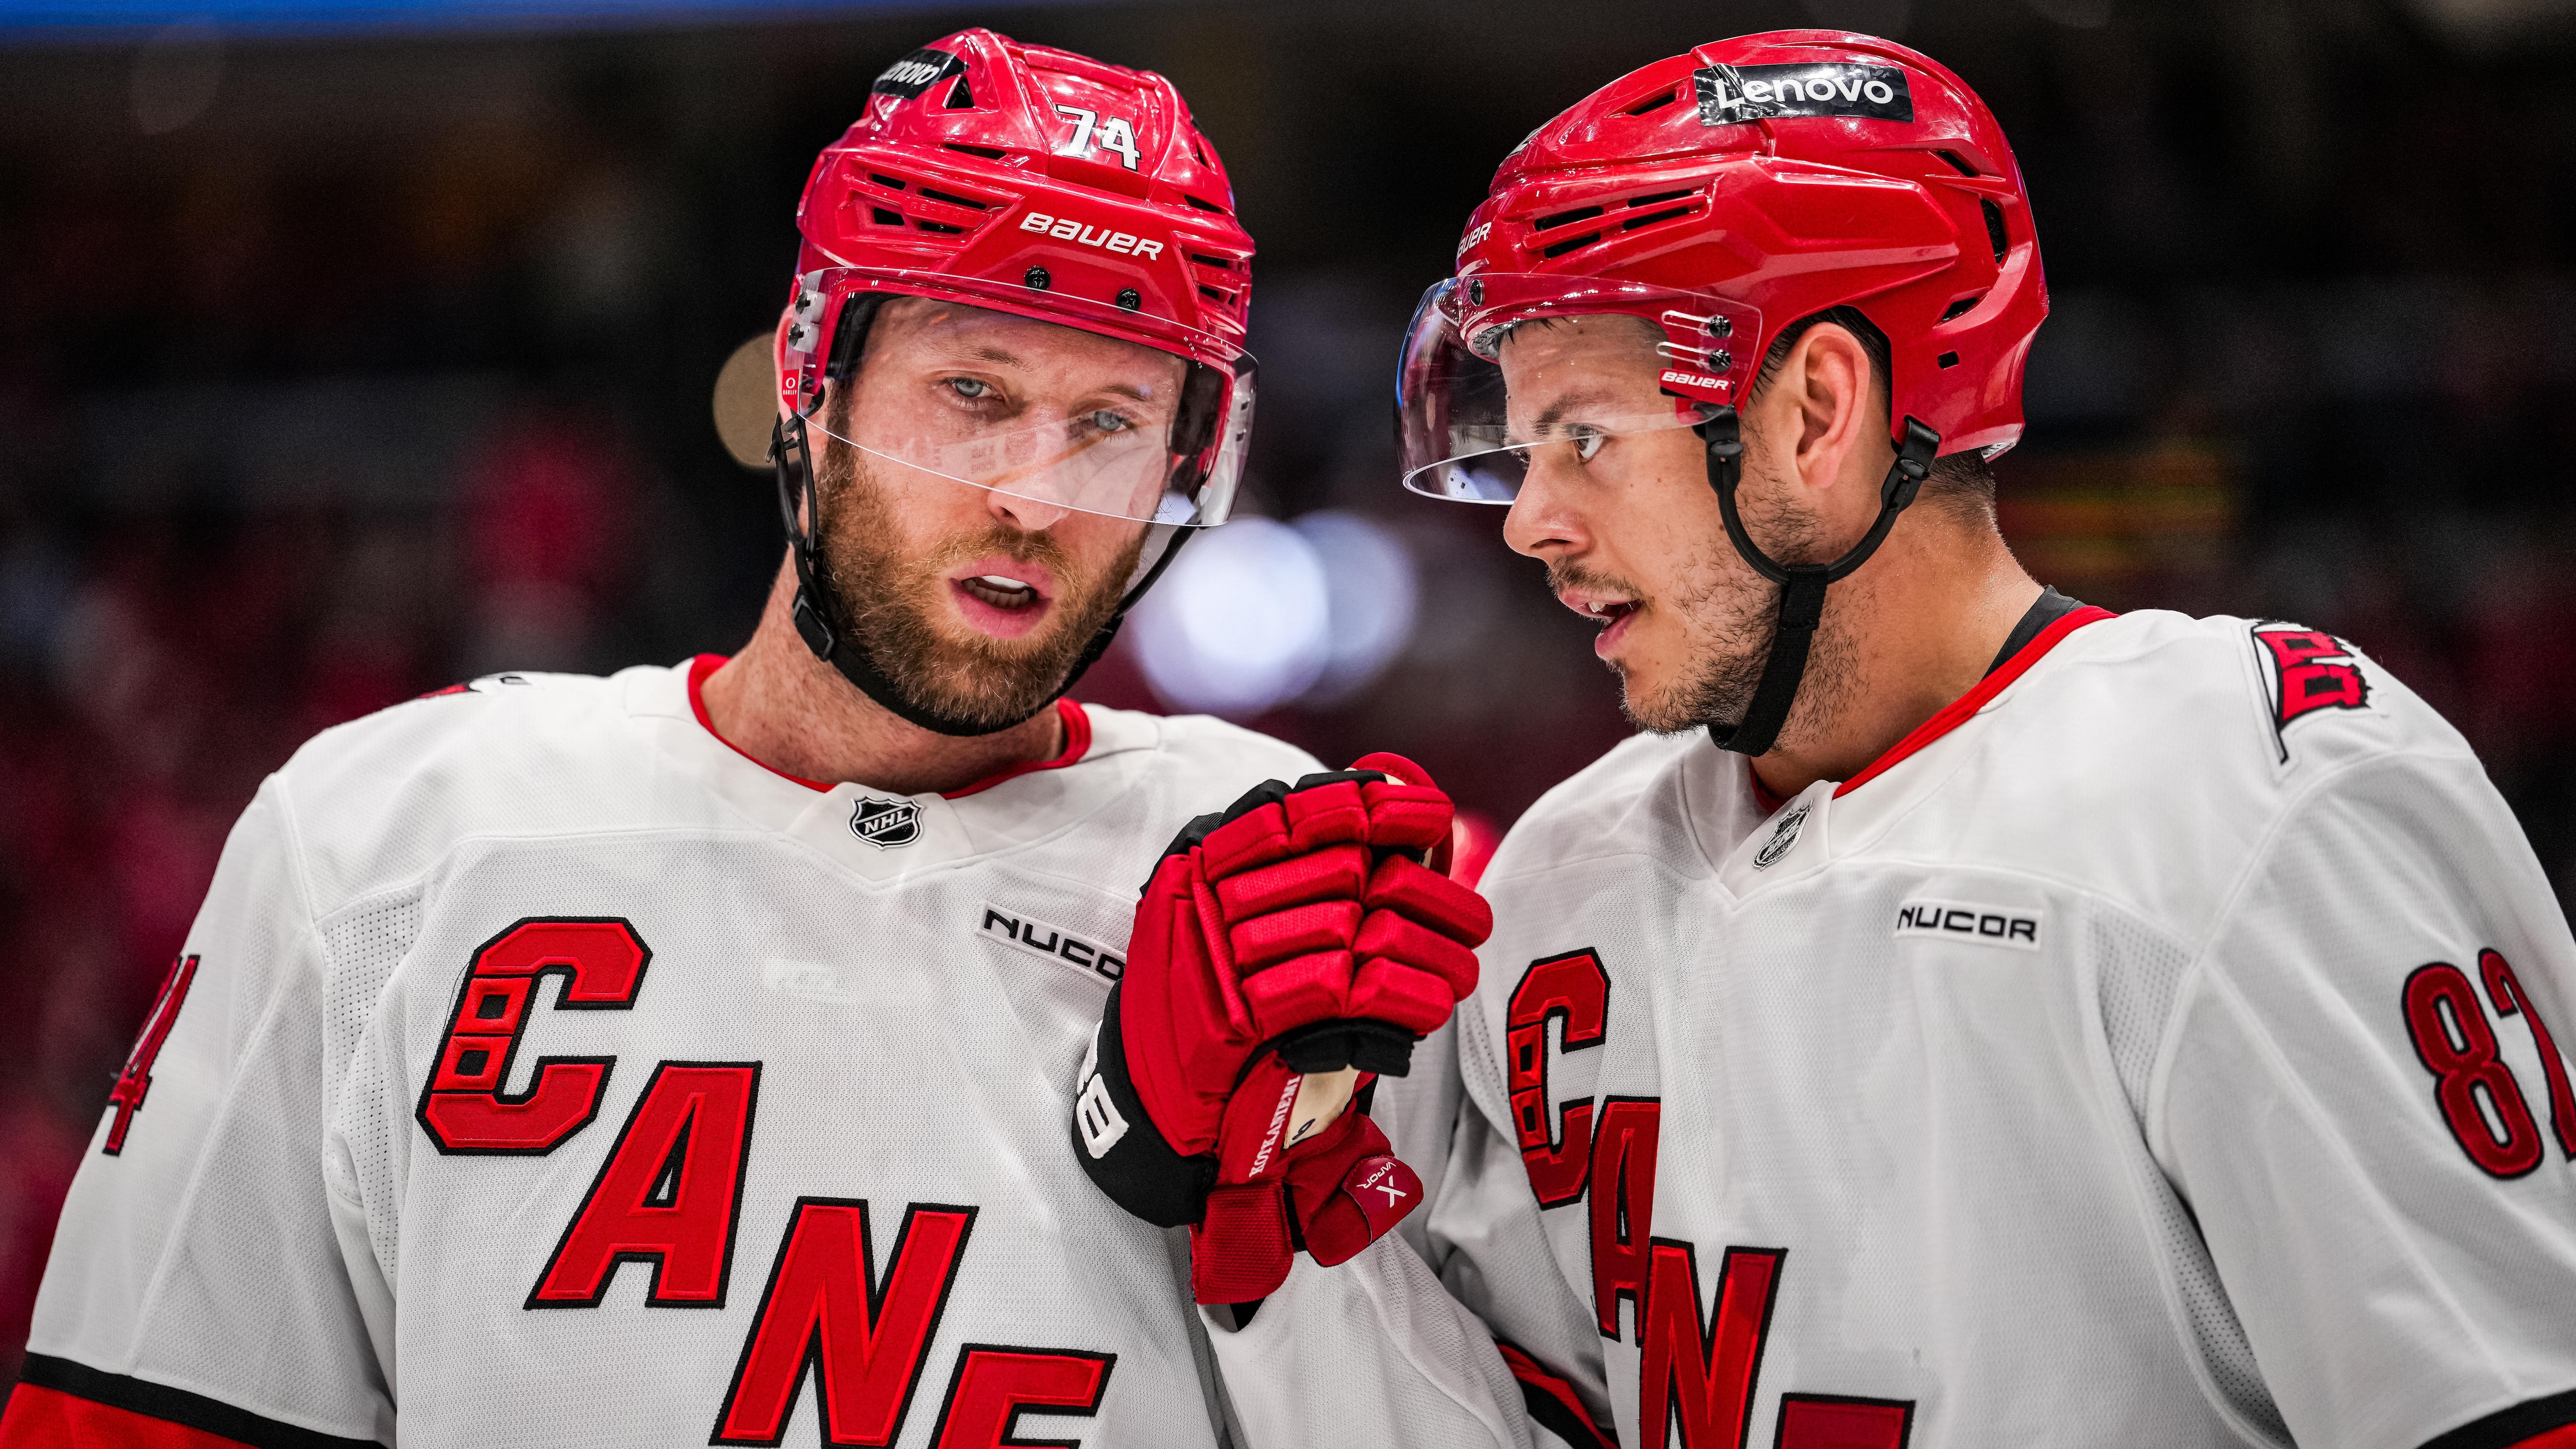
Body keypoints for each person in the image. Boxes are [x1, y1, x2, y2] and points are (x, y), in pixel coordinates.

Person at [0, 30, 1520, 1448]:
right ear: (813, 370)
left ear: (1193, 453)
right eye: (973, 395)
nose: (1036, 498)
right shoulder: (384, 833)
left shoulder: (1294, 874)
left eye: (1109, 423)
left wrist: (1262, 1222)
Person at [1363, 28, 2576, 1449]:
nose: (1530, 520)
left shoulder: (2252, 799)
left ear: (1818, 412)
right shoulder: (1560, 874)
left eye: (1585, 437)